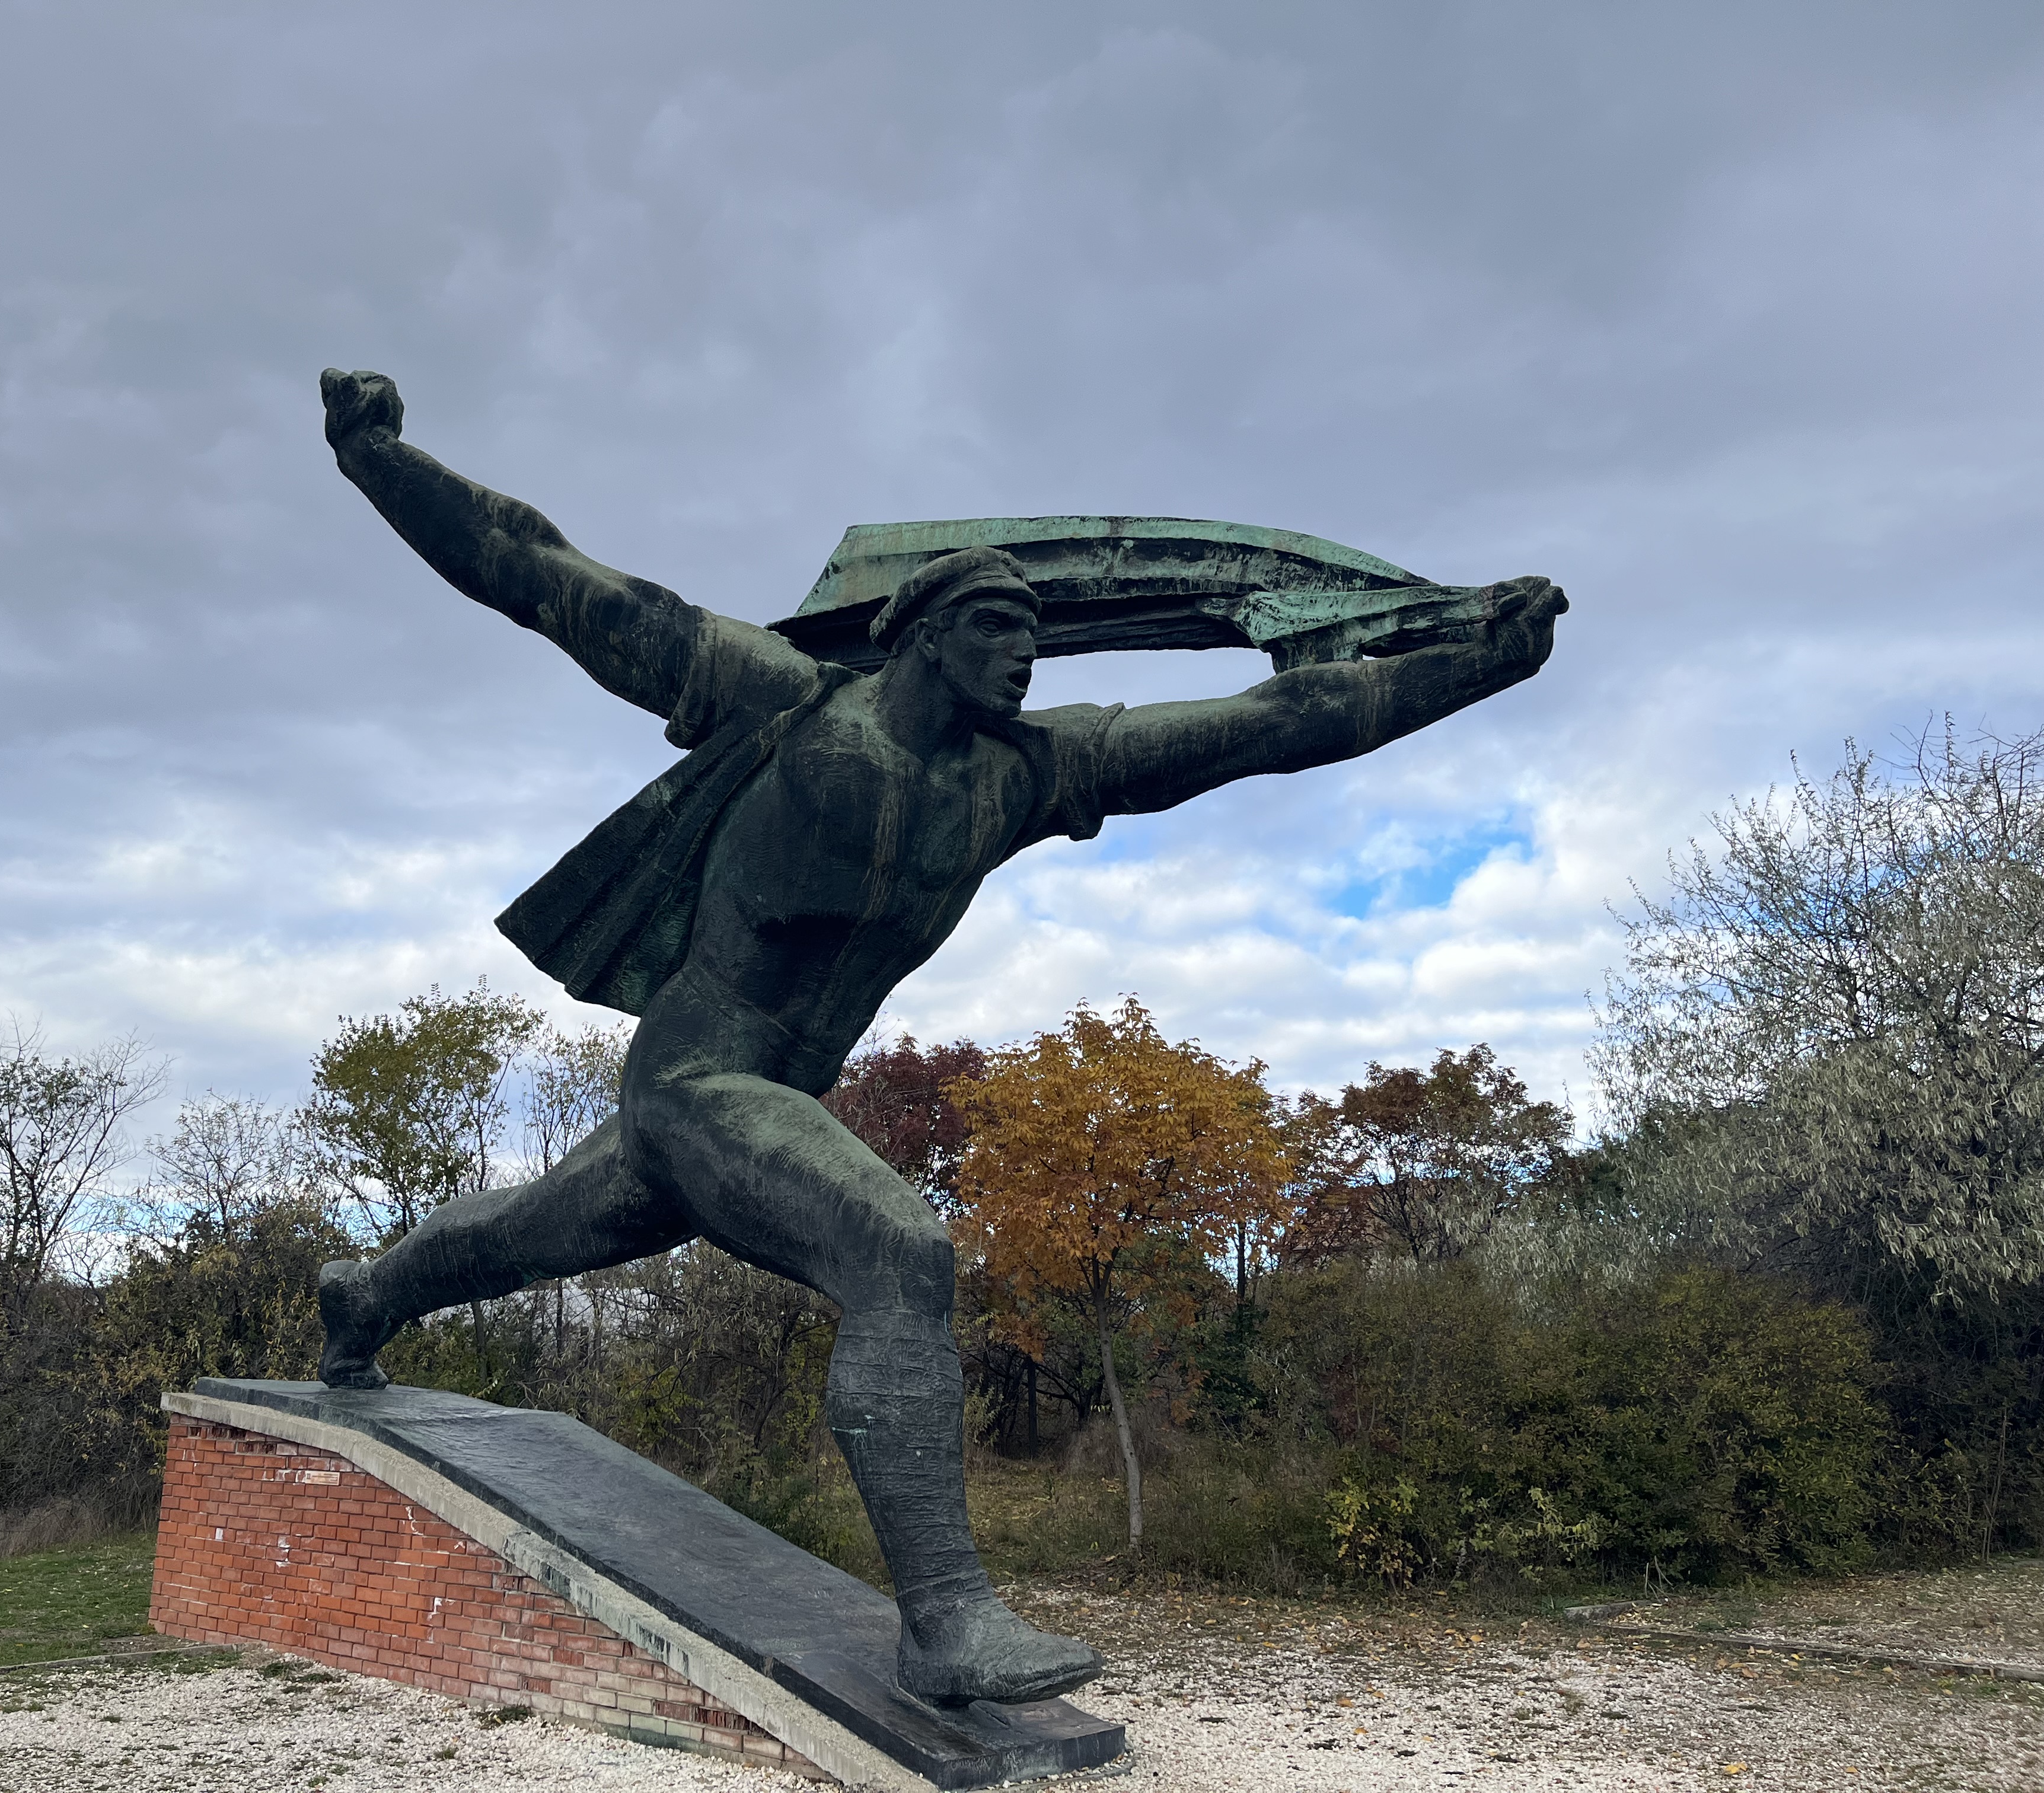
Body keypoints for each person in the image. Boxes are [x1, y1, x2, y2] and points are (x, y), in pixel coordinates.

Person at [313, 368, 1566, 1705]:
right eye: (993, 627)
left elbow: (1266, 727)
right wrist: (378, 457)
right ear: (920, 635)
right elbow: (542, 574)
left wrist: (1474, 666)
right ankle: (947, 1624)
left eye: (1032, 634)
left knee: (518, 1239)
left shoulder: (1023, 776)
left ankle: (363, 1298)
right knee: (901, 1252)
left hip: (758, 1105)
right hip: (696, 1081)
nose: (1023, 655)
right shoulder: (781, 700)